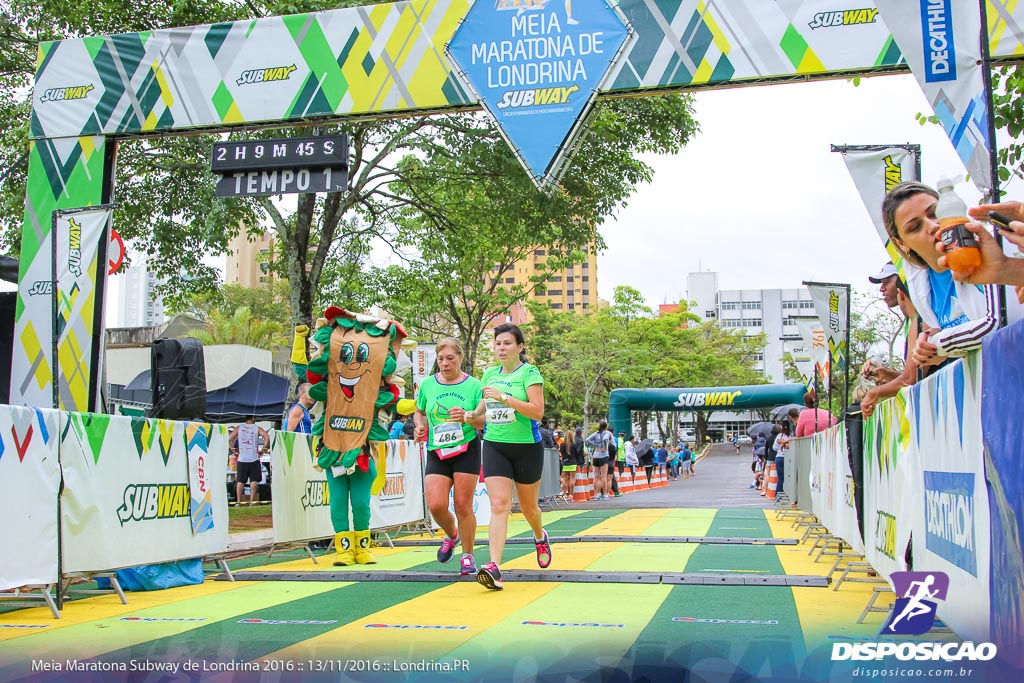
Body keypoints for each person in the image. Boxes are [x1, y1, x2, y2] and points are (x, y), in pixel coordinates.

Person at [467, 324, 550, 591]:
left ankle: (539, 536)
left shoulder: (530, 373)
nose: (501, 348)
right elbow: (482, 410)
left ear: (520, 347)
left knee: (529, 509)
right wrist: (469, 416)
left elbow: (537, 412)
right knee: (499, 505)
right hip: (495, 446)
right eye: (498, 343)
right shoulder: (489, 373)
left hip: (526, 447)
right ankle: (494, 568)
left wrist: (505, 397)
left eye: (507, 343)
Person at [882, 182, 1000, 368]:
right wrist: (930, 351)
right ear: (901, 243)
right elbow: (965, 346)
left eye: (934, 212)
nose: (933, 225)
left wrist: (939, 344)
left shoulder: (986, 248)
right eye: (915, 227)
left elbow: (997, 325)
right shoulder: (921, 290)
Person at [413, 338, 484, 577]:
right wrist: (419, 427)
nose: (445, 364)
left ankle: (468, 555)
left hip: (466, 448)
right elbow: (420, 412)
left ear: (460, 358)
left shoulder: (475, 386)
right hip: (438, 450)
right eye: (441, 359)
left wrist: (467, 416)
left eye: (450, 359)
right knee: (436, 504)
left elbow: (484, 422)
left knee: (463, 504)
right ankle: (452, 534)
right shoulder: (427, 385)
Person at [228, 417, 270, 506]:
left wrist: (233, 451)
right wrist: (264, 449)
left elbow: (230, 439)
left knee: (240, 481)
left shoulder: (239, 428)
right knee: (253, 480)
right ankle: (251, 501)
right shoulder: (257, 428)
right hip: (253, 458)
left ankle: (238, 502)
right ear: (254, 419)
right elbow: (267, 437)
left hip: (242, 458)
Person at [585, 420, 614, 501]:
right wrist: (604, 446)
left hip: (595, 456)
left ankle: (596, 494)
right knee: (604, 476)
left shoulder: (596, 433)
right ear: (606, 426)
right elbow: (605, 439)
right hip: (604, 456)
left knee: (596, 476)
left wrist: (595, 445)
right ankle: (605, 494)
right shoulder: (607, 433)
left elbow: (587, 440)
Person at [559, 427, 581, 499]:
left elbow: (561, 453)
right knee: (572, 478)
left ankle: (565, 493)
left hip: (565, 462)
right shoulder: (574, 445)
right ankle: (571, 493)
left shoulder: (562, 445)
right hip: (573, 462)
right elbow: (577, 454)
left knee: (564, 479)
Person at [773, 422, 791, 495]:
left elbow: (774, 447)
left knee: (780, 478)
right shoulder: (791, 436)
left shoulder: (779, 436)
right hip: (788, 458)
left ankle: (778, 494)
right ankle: (789, 493)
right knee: (789, 476)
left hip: (779, 457)